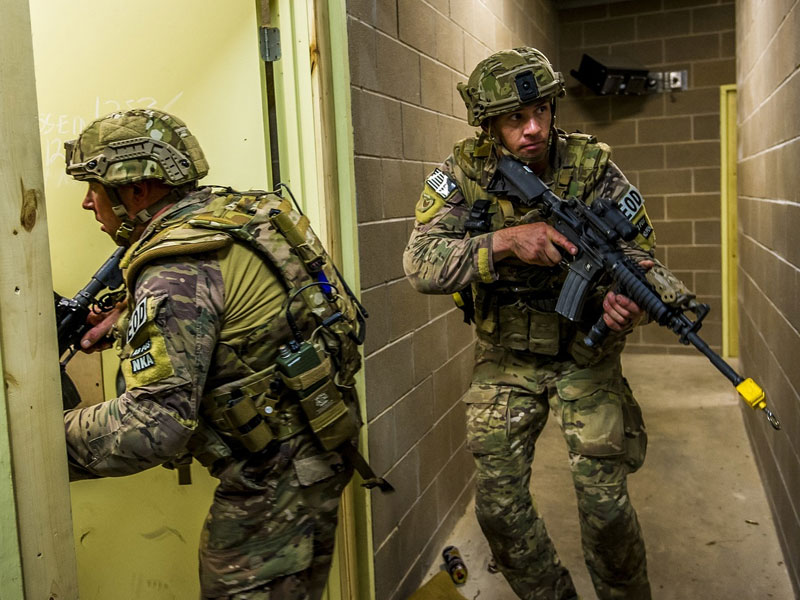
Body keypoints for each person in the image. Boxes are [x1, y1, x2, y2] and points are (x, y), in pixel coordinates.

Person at [403, 47, 691, 600]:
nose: (532, 128)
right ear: (489, 124)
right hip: (505, 357)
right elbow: (419, 264)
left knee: (607, 511)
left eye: (540, 111)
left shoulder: (592, 166)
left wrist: (627, 302)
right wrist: (505, 242)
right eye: (515, 118)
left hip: (586, 352)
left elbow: (640, 253)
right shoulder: (463, 173)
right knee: (499, 510)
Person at [62, 108, 372, 600]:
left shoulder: (177, 268)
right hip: (316, 444)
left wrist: (41, 441)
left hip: (274, 483)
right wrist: (127, 318)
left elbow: (153, 427)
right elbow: (241, 317)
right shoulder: (239, 213)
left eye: (93, 187)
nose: (85, 202)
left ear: (136, 191)